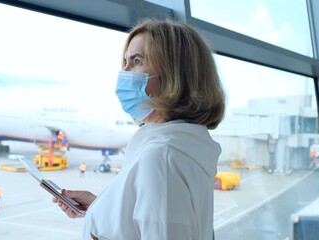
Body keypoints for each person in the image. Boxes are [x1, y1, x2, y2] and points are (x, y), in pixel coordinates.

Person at [54, 18, 225, 240]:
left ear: (175, 75)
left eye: (137, 61)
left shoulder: (162, 157)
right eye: (125, 61)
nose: (124, 72)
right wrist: (102, 208)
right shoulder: (184, 145)